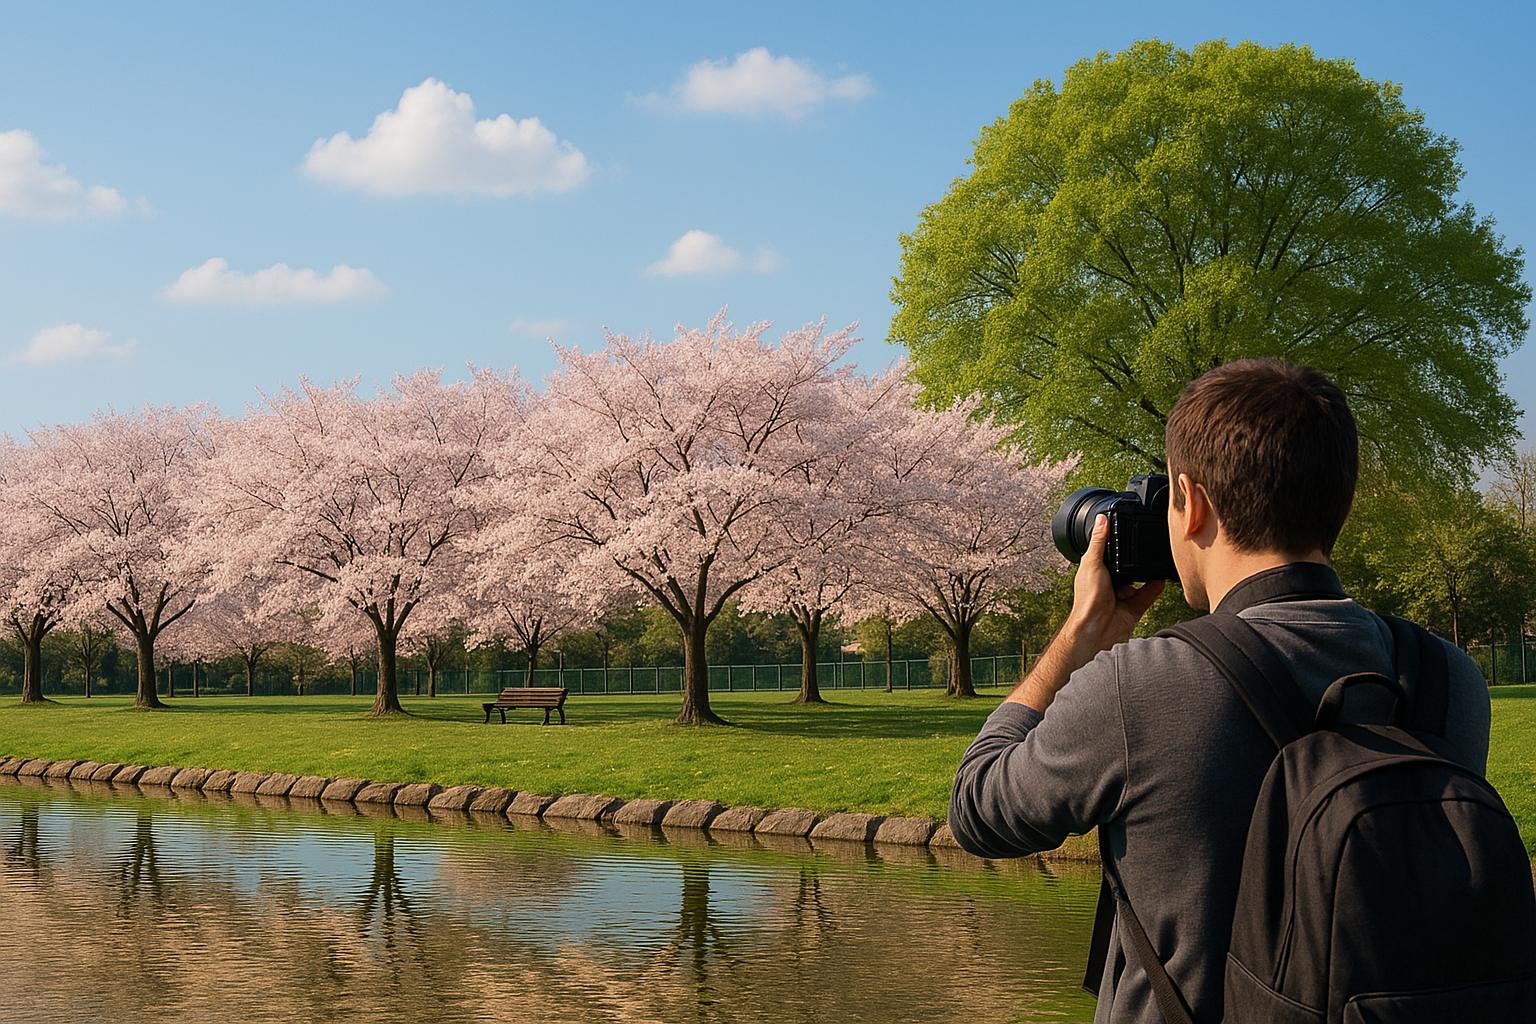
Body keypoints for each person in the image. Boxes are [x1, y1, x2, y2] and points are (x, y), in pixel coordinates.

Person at [947, 359, 1489, 1024]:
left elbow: (977, 810)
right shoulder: (1449, 679)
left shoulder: (1141, 686)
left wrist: (1080, 635)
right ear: (1342, 505)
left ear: (1191, 501)